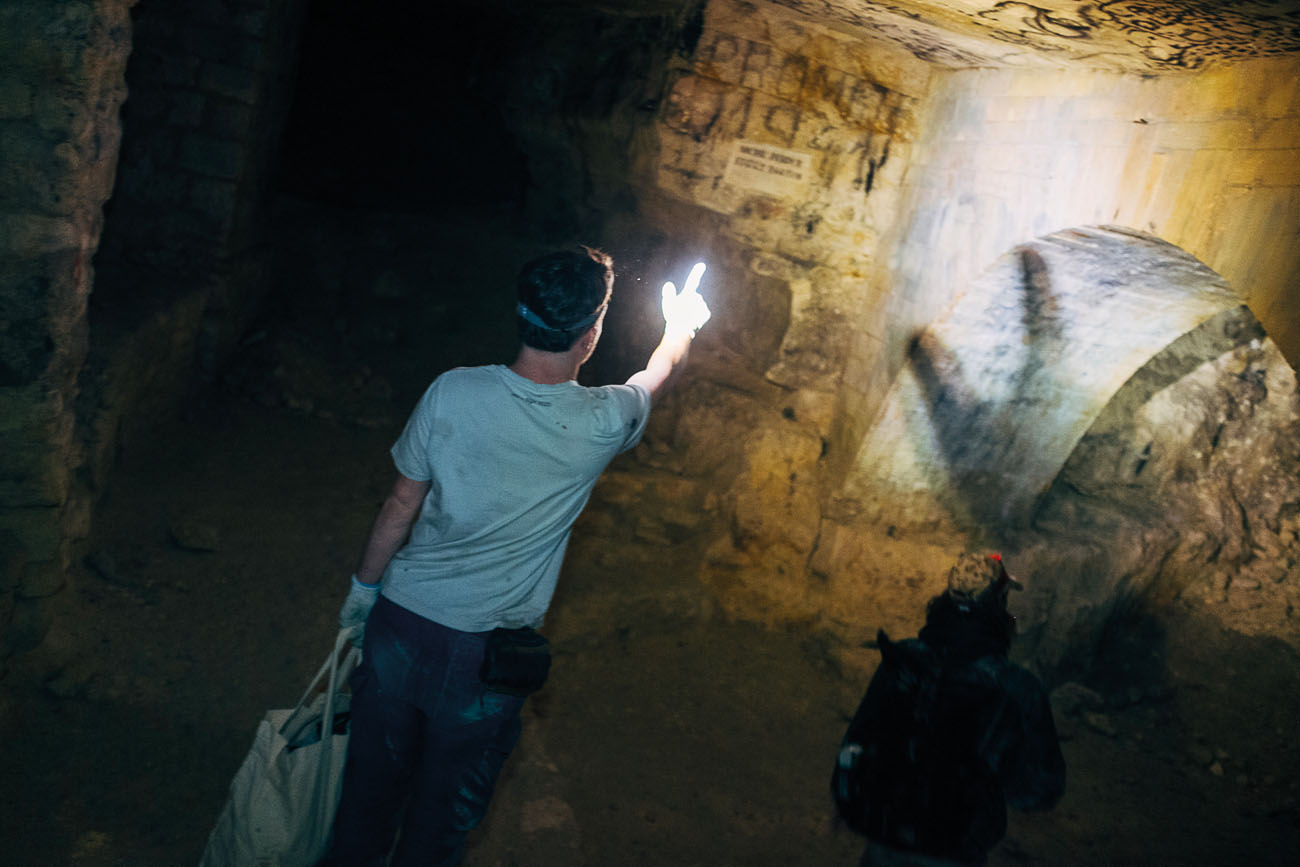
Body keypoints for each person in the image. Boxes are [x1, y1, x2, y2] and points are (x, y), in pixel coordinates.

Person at [322, 247, 711, 866]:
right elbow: (656, 375)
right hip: (485, 659)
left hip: (400, 626)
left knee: (365, 802)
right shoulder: (603, 421)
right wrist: (681, 327)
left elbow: (400, 503)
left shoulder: (452, 391)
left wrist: (361, 593)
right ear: (591, 333)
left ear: (520, 314)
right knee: (440, 822)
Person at [831, 553, 1066, 867]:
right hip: (954, 849)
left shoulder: (903, 659)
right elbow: (1040, 791)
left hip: (885, 837)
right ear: (999, 606)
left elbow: (856, 741)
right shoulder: (1016, 687)